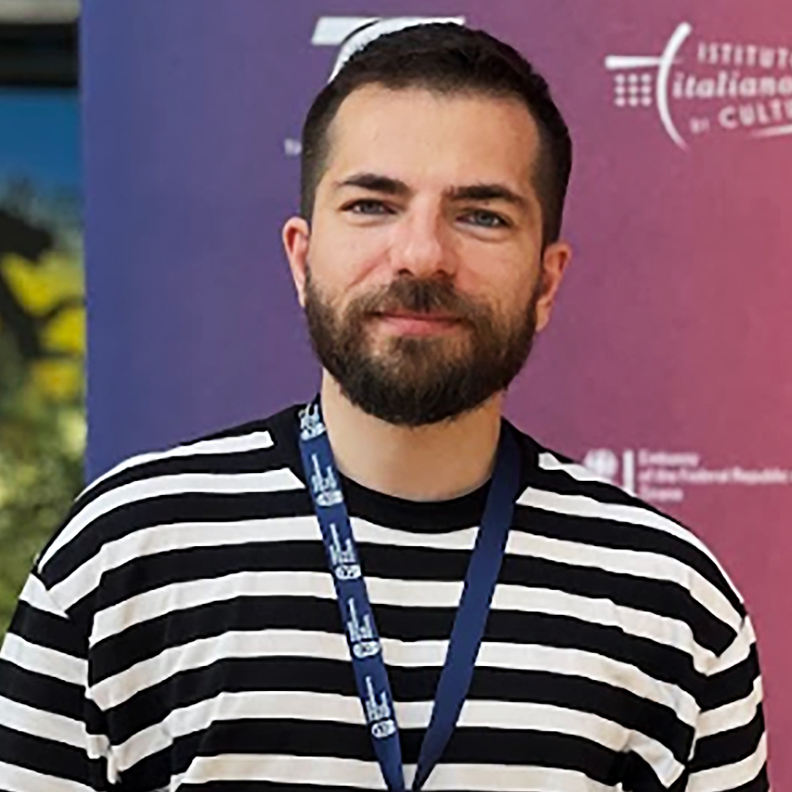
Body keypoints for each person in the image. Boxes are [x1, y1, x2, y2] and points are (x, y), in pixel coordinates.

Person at [0, 22, 768, 792]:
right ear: (302, 258)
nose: (422, 254)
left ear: (546, 282)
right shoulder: (123, 557)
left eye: (482, 215)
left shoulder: (670, 602)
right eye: (372, 204)